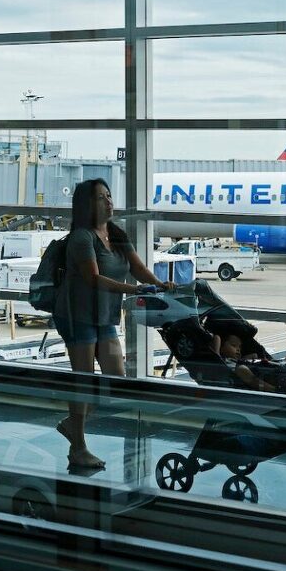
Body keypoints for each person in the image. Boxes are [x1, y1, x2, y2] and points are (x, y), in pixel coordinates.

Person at [53, 178, 168, 468]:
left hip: (103, 315)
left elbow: (137, 267)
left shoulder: (116, 234)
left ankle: (73, 423)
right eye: (101, 198)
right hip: (77, 315)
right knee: (83, 379)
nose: (108, 202)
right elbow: (93, 278)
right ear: (87, 205)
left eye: (109, 196)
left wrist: (159, 284)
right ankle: (78, 447)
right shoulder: (82, 237)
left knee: (116, 377)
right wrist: (134, 290)